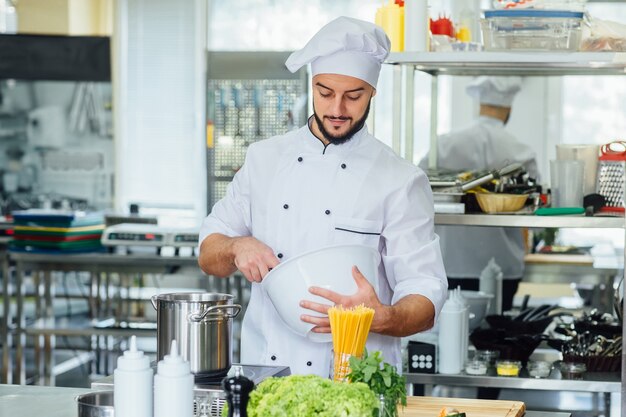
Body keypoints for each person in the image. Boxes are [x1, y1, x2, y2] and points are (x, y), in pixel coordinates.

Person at [198, 16, 447, 376]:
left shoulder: (401, 179)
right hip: (269, 374)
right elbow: (208, 255)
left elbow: (425, 290)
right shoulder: (263, 160)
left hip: (357, 380)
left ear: (373, 92)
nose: (337, 109)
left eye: (353, 96)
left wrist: (385, 318)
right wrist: (237, 247)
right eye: (325, 92)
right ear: (311, 84)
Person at [420, 76, 539, 311]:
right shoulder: (521, 152)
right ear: (509, 109)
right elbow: (535, 210)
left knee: (448, 335)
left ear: (479, 105)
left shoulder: (444, 144)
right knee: (494, 335)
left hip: (449, 264)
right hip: (503, 268)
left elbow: (417, 194)